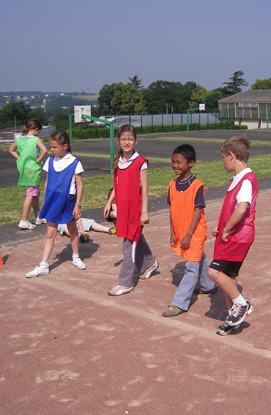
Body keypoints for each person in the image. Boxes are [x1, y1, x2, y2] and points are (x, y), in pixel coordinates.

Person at [207, 136, 259, 336]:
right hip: (233, 233)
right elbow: (231, 209)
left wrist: (227, 230)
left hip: (238, 235)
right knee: (229, 278)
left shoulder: (246, 180)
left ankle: (241, 304)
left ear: (231, 155)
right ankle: (233, 317)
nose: (222, 161)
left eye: (223, 157)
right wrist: (221, 227)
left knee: (213, 272)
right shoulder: (237, 180)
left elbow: (242, 207)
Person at [103, 124, 159, 296]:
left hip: (134, 211)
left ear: (136, 141)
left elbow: (146, 189)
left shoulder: (140, 162)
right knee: (135, 238)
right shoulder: (118, 162)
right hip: (123, 210)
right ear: (118, 141)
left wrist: (144, 212)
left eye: (130, 139)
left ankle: (125, 282)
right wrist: (109, 201)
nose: (127, 142)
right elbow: (116, 185)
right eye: (123, 139)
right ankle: (150, 263)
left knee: (128, 246)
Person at [162, 144, 216, 317]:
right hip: (181, 231)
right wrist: (172, 232)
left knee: (191, 267)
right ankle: (208, 286)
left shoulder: (197, 185)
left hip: (194, 232)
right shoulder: (172, 185)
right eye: (173, 162)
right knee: (197, 256)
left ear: (190, 163)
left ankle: (178, 304)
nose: (175, 165)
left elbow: (198, 211)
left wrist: (188, 235)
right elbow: (172, 211)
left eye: (179, 162)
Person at [25, 130, 87, 277]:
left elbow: (79, 185)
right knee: (50, 233)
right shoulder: (50, 161)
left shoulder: (75, 162)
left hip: (69, 202)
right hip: (53, 202)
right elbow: (47, 181)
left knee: (72, 229)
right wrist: (46, 200)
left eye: (54, 147)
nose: (51, 150)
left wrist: (78, 204)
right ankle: (44, 265)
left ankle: (76, 257)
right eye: (50, 147)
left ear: (65, 146)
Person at [8, 119, 48, 230]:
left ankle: (38, 216)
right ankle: (23, 220)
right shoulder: (36, 139)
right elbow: (44, 151)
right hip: (33, 168)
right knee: (30, 193)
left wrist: (20, 158)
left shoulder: (19, 139)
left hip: (24, 167)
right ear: (36, 129)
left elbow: (11, 150)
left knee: (35, 192)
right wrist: (38, 160)